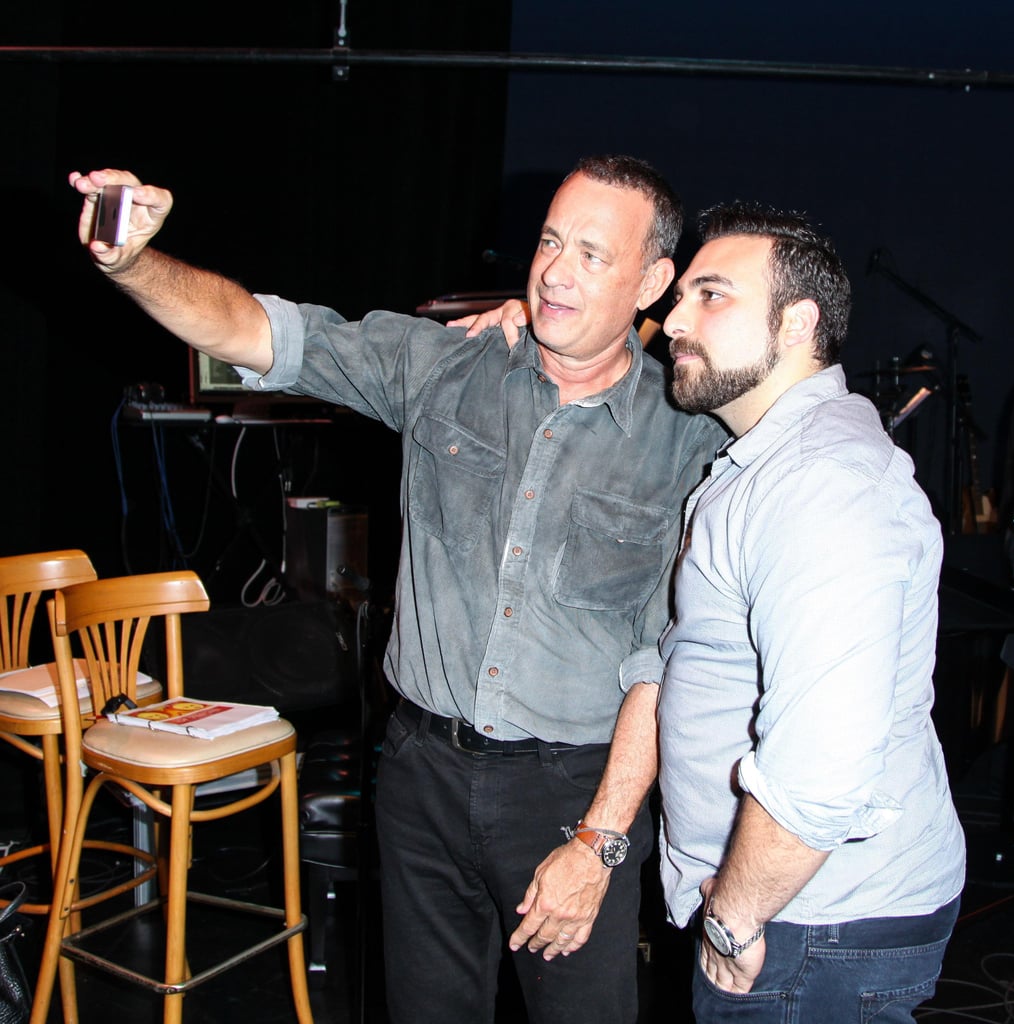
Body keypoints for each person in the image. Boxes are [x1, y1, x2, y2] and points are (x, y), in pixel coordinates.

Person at [68, 156, 726, 1023]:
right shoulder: (444, 364)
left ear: (652, 280)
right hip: (422, 775)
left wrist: (601, 841)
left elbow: (664, 659)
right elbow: (257, 333)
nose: (556, 271)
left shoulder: (690, 439)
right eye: (549, 242)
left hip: (573, 794)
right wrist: (134, 263)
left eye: (593, 256)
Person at [654, 199, 966, 1022]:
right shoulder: (770, 463)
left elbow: (821, 767)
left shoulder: (820, 483)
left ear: (797, 323)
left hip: (810, 931)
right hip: (799, 918)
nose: (673, 317)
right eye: (680, 294)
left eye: (710, 295)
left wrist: (733, 917)